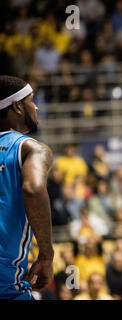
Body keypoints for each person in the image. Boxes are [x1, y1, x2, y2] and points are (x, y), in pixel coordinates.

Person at [0, 75, 54, 300]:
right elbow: (32, 189)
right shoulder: (30, 148)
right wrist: (46, 255)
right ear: (17, 106)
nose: (37, 106)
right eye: (32, 100)